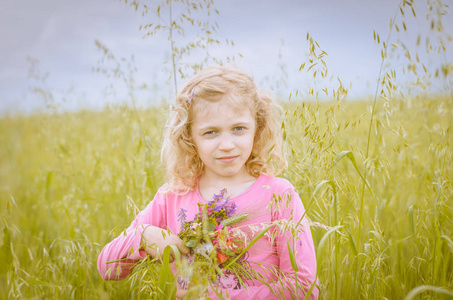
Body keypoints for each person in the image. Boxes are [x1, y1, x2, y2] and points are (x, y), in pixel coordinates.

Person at [97, 65, 318, 299]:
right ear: (189, 137)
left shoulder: (279, 195)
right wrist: (141, 237)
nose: (226, 144)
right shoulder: (174, 196)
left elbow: (304, 286)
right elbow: (107, 268)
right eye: (211, 132)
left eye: (238, 129)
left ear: (257, 128)